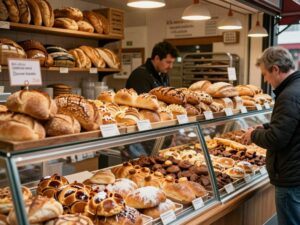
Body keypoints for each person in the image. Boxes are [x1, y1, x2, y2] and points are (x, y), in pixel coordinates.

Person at [241, 46, 300, 225]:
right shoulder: (296, 88)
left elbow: (276, 139)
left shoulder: (288, 95)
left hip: (290, 176)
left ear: (275, 69)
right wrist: (266, 126)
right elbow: (292, 124)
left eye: (265, 74)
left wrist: (254, 134)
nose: (265, 80)